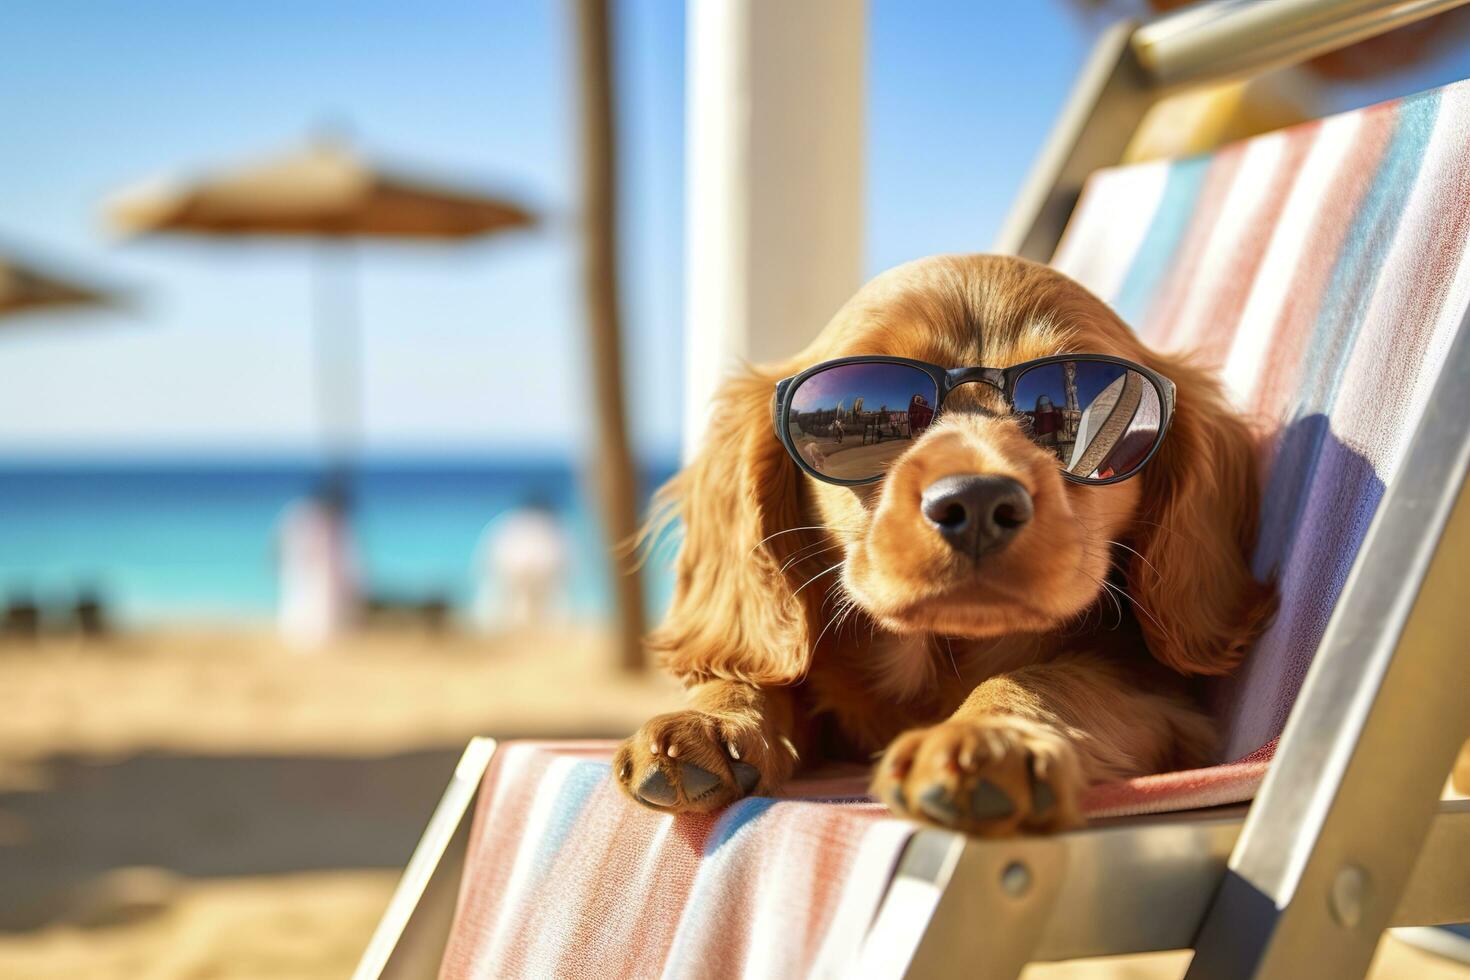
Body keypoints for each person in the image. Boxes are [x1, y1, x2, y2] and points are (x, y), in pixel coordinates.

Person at [276, 477, 359, 650]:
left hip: (305, 583)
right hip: (310, 584)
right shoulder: (316, 521)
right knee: (311, 613)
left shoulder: (299, 517)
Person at [475, 495, 569, 631]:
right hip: (539, 571)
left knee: (515, 605)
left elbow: (491, 555)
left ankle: (502, 626)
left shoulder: (508, 523)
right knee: (546, 604)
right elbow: (562, 559)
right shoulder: (553, 525)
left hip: (513, 570)